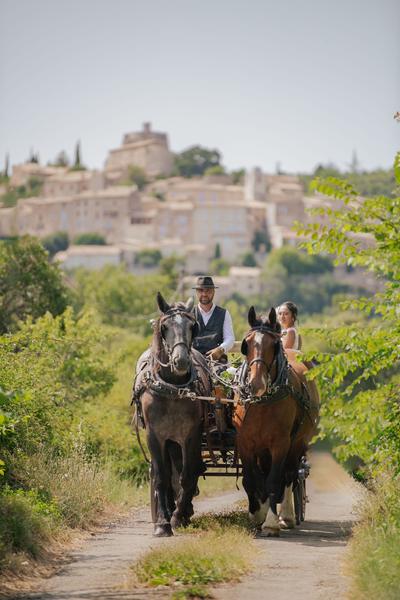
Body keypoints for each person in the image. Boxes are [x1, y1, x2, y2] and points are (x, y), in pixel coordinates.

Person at [192, 275, 235, 361]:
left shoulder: (224, 313)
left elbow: (230, 338)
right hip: (193, 361)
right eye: (200, 290)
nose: (204, 294)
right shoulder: (188, 314)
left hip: (218, 362)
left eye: (208, 291)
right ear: (196, 292)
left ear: (213, 292)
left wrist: (220, 349)